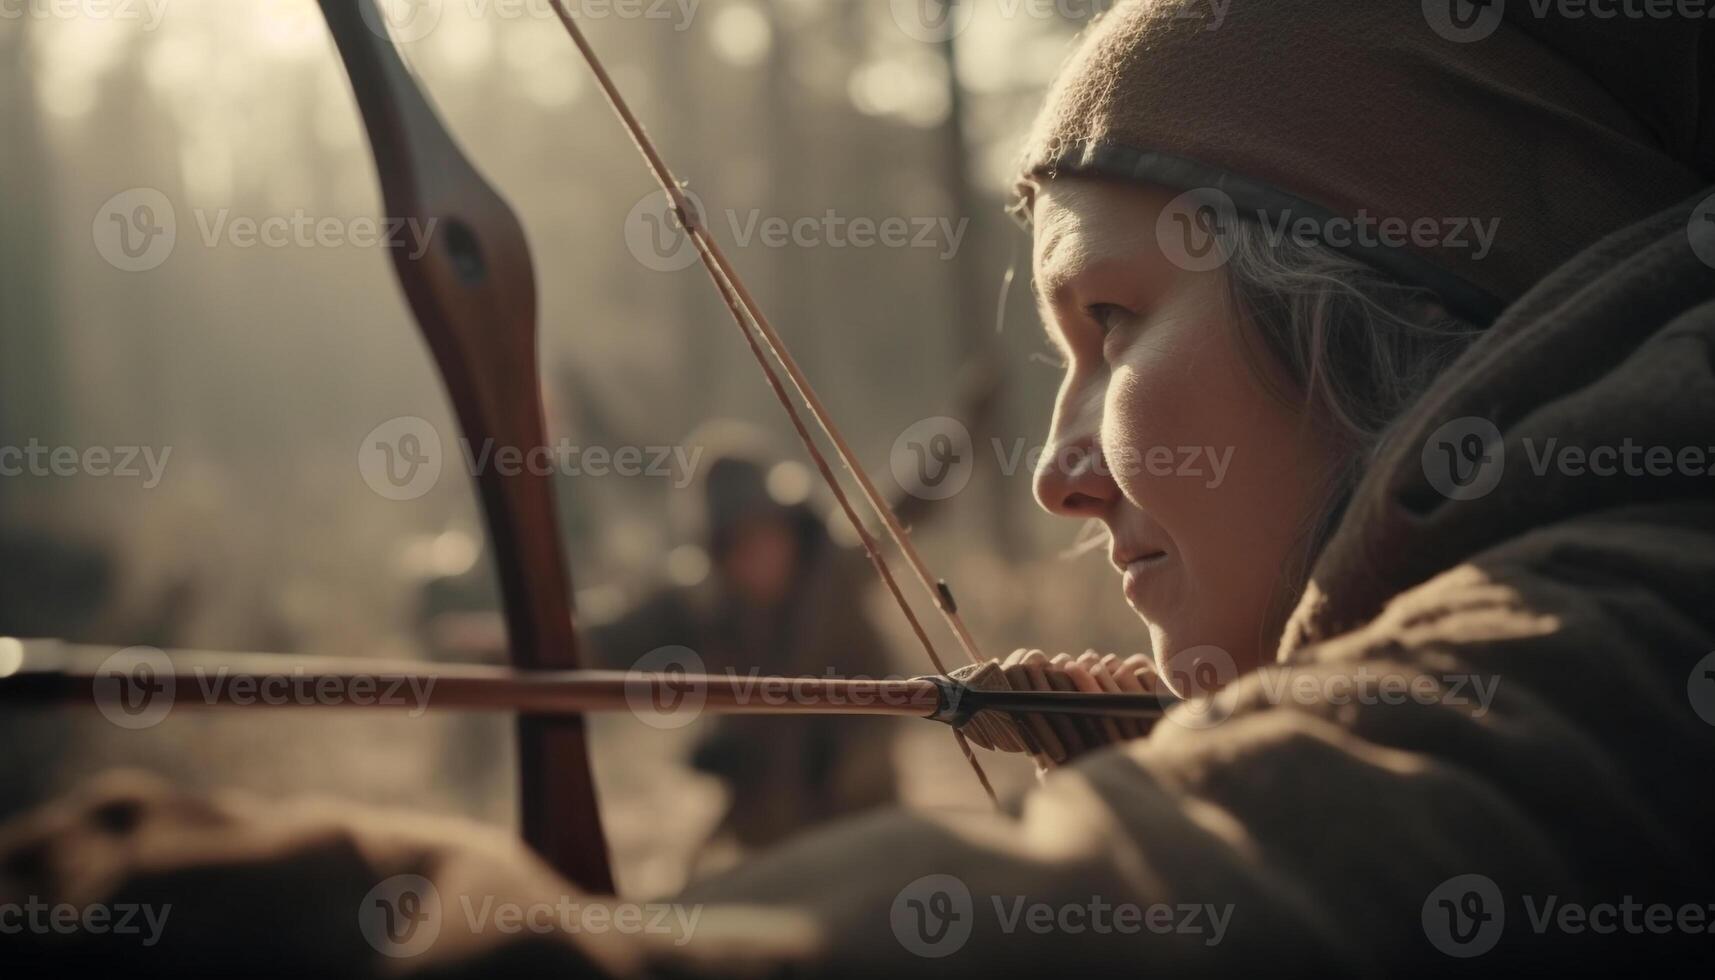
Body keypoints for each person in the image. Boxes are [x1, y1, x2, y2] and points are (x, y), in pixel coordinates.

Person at [5, 3, 1713, 974]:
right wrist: (471, 618)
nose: (1059, 472)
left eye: (1110, 323)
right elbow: (612, 626)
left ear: (1390, 300)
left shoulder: (1634, 631)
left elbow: (1308, 863)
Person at [586, 423, 901, 864]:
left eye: (766, 534)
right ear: (719, 554)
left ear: (788, 529)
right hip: (771, 833)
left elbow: (908, 501)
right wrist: (518, 640)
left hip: (862, 810)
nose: (758, 555)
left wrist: (957, 437)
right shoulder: (702, 607)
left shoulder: (839, 569)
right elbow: (603, 639)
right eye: (739, 544)